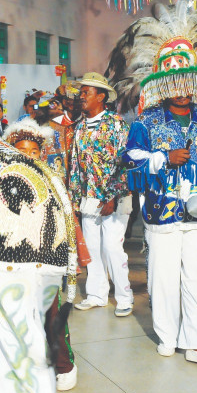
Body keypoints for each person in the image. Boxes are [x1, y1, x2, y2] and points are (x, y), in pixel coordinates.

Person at [118, 0, 197, 367]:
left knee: (196, 278)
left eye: (186, 81)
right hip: (161, 210)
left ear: (194, 80)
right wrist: (164, 159)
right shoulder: (145, 122)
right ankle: (167, 334)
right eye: (173, 82)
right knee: (163, 277)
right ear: (163, 83)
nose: (181, 89)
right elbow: (130, 159)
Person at [3, 118, 78, 391]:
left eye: (34, 152)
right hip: (12, 260)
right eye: (22, 151)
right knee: (16, 313)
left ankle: (64, 364)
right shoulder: (1, 179)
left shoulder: (52, 180)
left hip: (47, 259)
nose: (29, 157)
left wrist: (71, 258)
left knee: (51, 313)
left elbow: (68, 220)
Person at [69, 73, 134, 317]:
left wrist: (113, 197)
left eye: (86, 92)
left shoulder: (117, 124)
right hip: (88, 198)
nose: (81, 96)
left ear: (101, 97)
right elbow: (76, 165)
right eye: (81, 92)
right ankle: (97, 294)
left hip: (114, 198)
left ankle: (124, 297)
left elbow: (125, 162)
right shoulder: (80, 127)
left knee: (112, 247)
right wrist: (75, 197)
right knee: (92, 248)